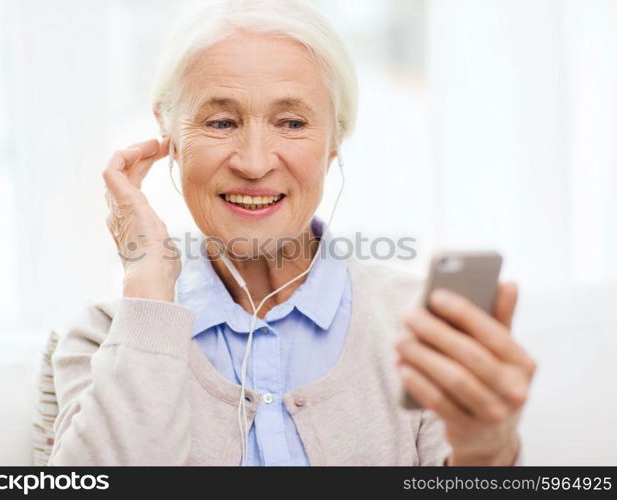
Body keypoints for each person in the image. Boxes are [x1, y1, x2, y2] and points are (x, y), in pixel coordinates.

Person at [47, 0, 536, 466]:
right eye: (221, 121)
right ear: (169, 133)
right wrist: (148, 284)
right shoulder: (103, 341)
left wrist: (485, 451)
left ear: (334, 140)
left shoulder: (418, 329)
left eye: (292, 122)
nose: (255, 163)